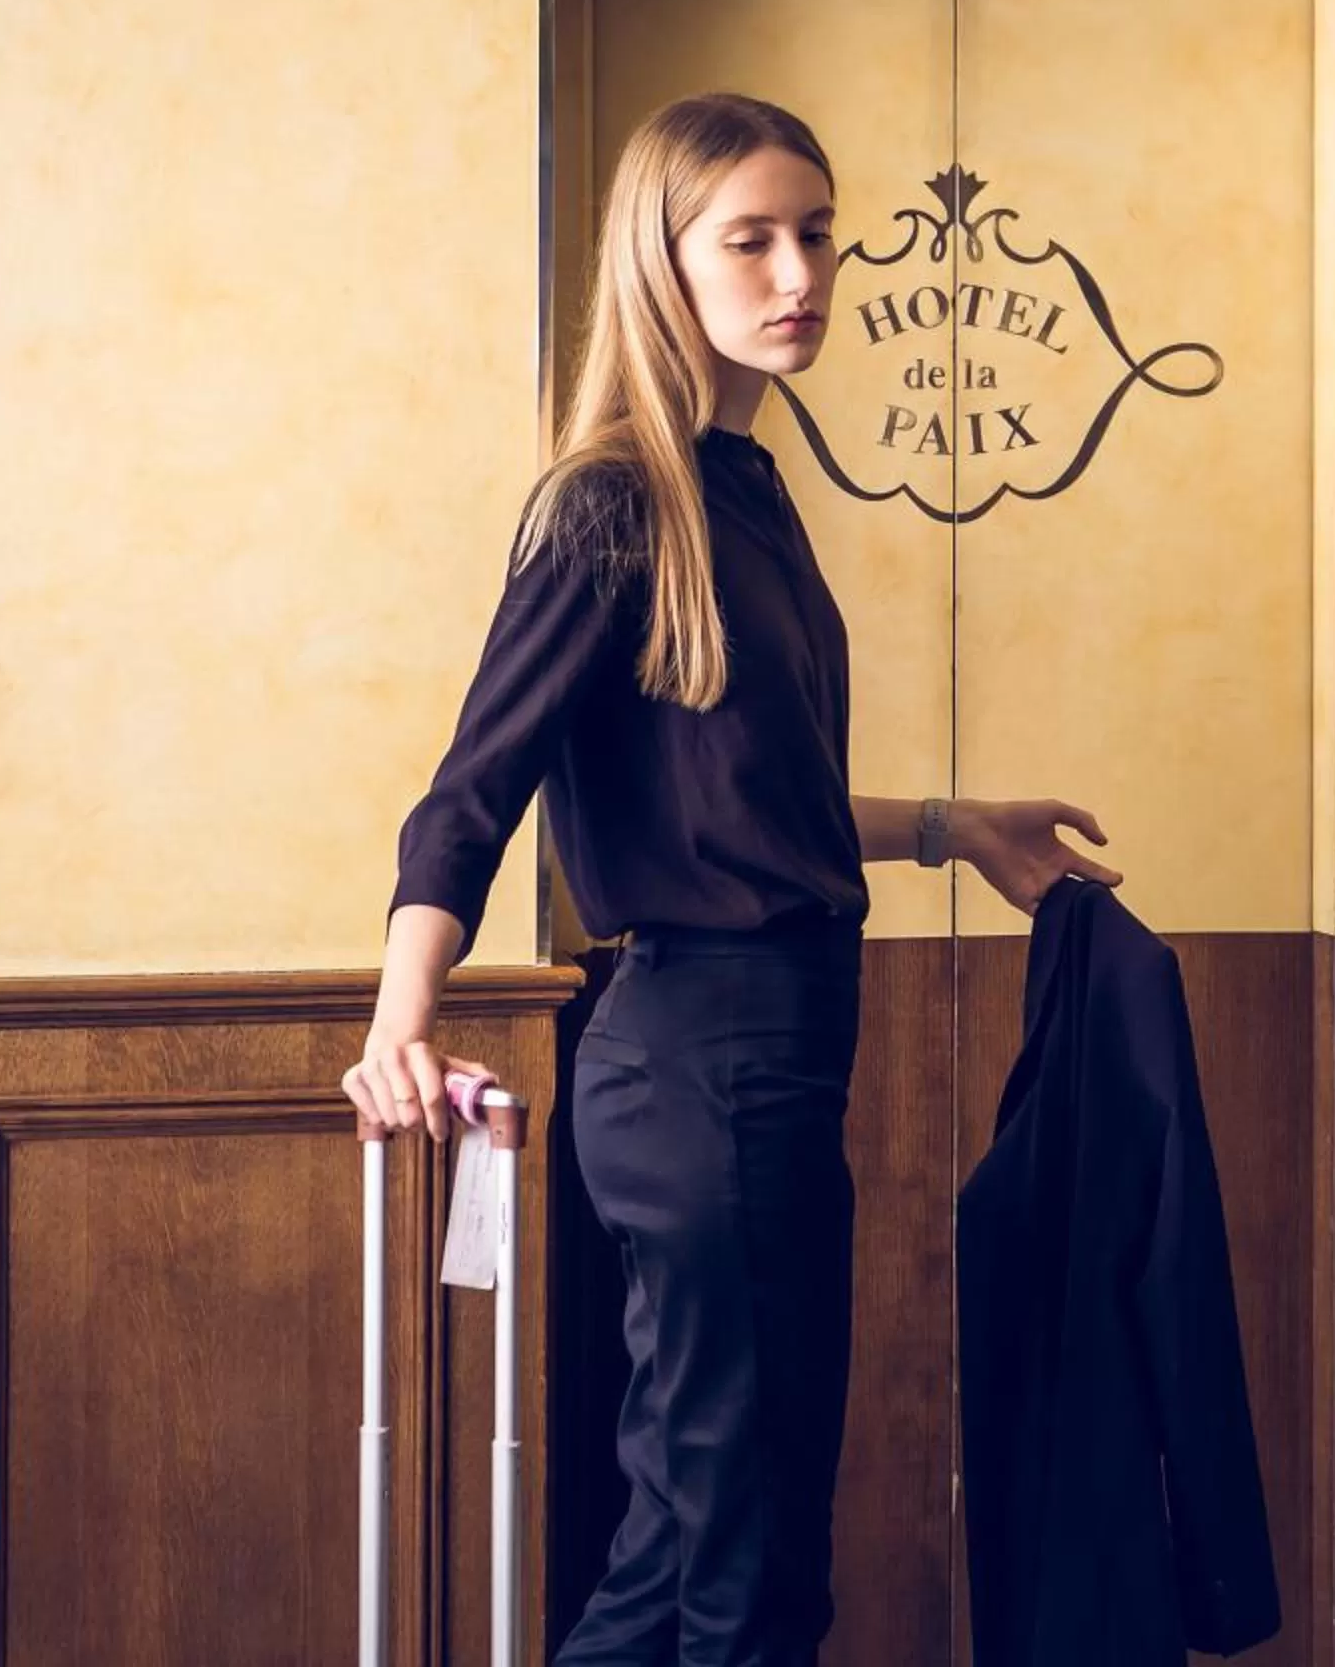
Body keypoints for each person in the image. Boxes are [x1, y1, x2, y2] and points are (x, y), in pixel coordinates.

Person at [338, 91, 1119, 1666]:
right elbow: (473, 787)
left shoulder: (741, 488)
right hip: (701, 1064)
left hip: (762, 1059)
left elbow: (747, 801)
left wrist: (952, 826)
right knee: (742, 1565)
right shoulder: (611, 500)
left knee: (694, 1542)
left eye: (818, 234)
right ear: (664, 262)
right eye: (750, 239)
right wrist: (397, 1016)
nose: (797, 273)